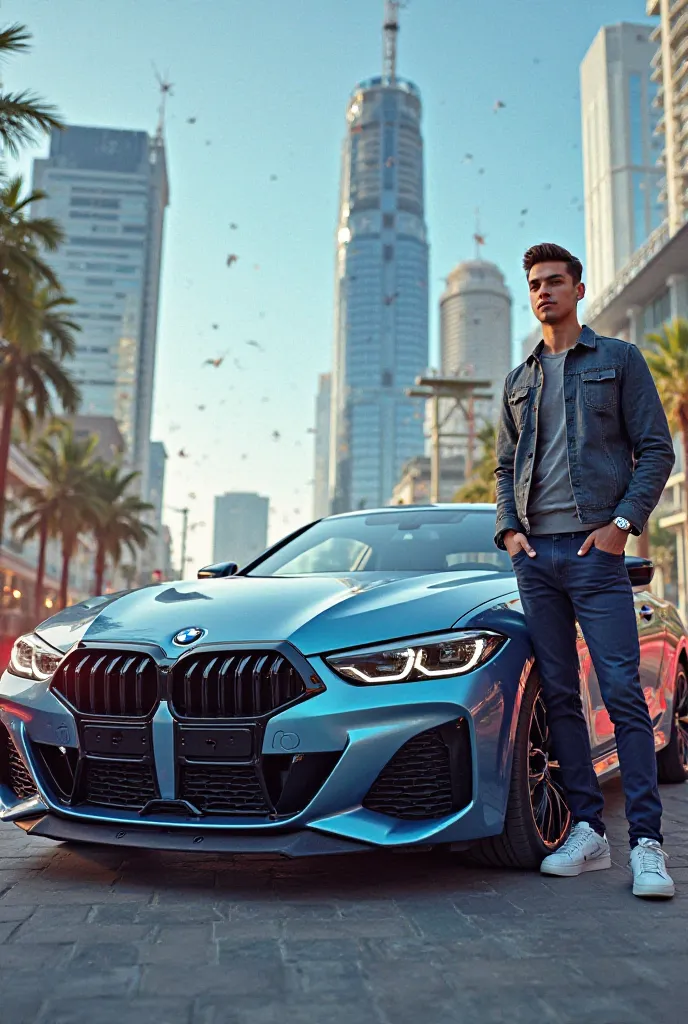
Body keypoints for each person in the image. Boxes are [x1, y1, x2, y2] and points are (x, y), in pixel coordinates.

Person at [495, 242, 676, 899]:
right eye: (535, 285)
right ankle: (588, 833)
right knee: (562, 696)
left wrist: (619, 529)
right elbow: (504, 468)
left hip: (596, 553)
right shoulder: (519, 381)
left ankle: (649, 847)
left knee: (623, 693)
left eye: (554, 282)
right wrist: (510, 532)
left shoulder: (619, 361)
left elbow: (657, 450)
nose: (544, 292)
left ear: (577, 289)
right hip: (536, 558)